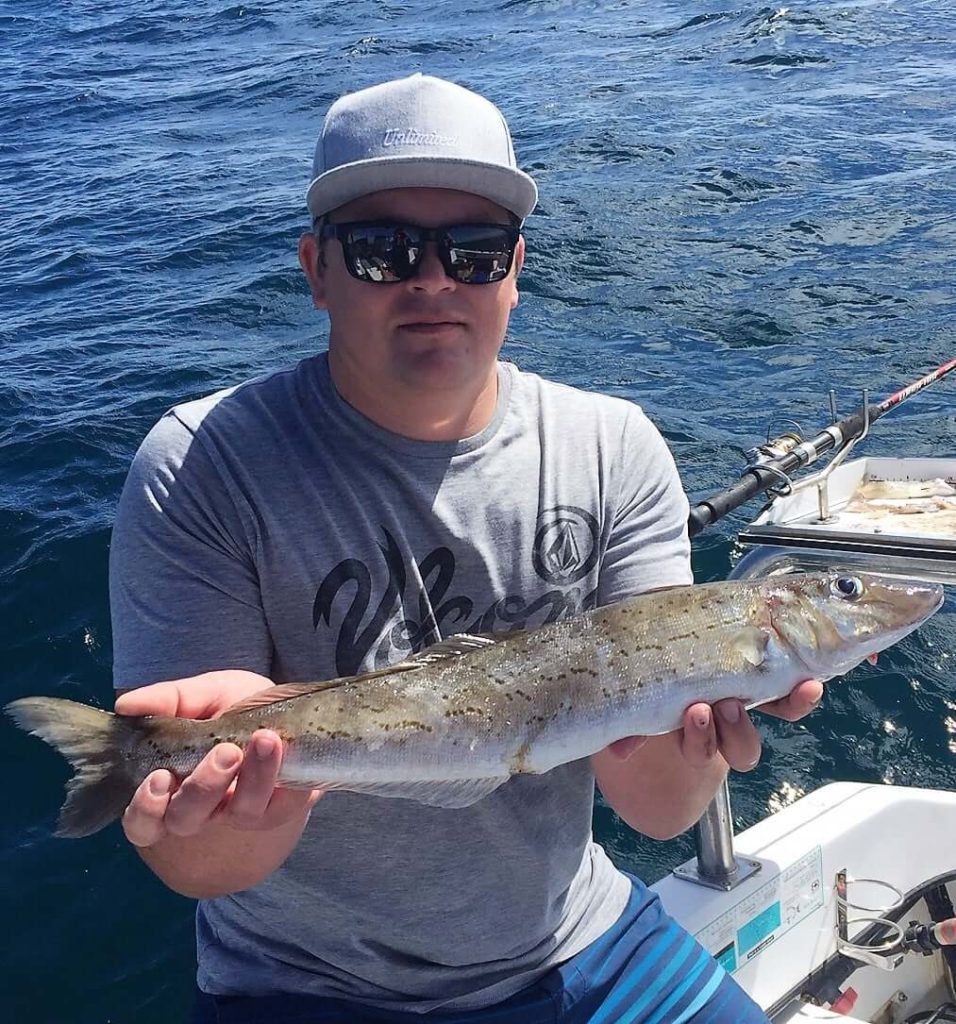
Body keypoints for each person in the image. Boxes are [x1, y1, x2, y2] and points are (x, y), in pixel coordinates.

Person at [110, 73, 823, 1023]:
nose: (433, 280)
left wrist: (690, 744)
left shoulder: (612, 447)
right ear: (315, 268)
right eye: (382, 250)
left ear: (516, 271)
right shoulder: (201, 466)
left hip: (586, 944)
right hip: (304, 985)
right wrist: (253, 804)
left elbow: (658, 812)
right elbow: (202, 866)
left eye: (475, 250)